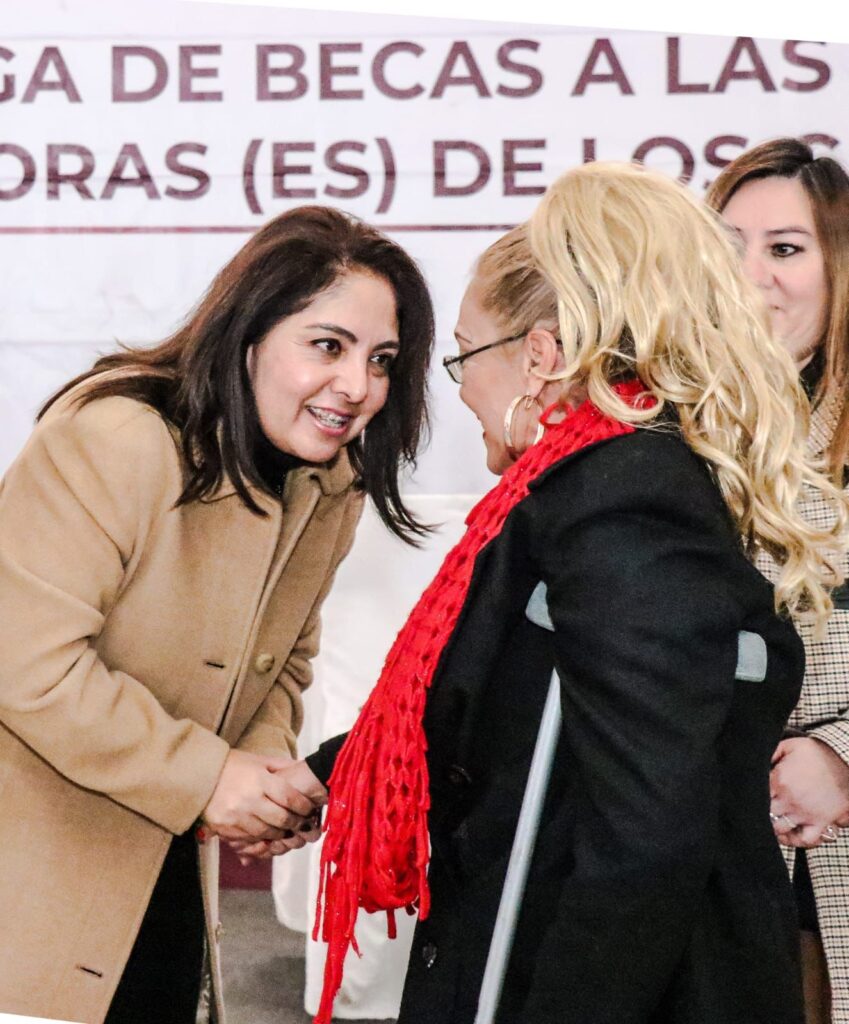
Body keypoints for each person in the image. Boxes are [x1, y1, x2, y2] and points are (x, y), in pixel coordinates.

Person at [271, 162, 846, 1024]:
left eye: (464, 354)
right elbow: (480, 696)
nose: (460, 387)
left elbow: (646, 834)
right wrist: (318, 779)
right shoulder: (575, 488)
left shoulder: (626, 498)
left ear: (538, 359)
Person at [0, 205, 434, 1024]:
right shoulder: (116, 437)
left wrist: (263, 777)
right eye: (327, 345)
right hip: (29, 901)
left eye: (381, 359)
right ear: (248, 336)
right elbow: (24, 662)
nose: (358, 385)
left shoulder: (328, 484)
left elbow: (283, 663)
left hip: (166, 892)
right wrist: (210, 777)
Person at [707, 137, 849, 1024]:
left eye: (785, 248)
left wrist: (842, 760)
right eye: (728, 248)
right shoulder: (663, 430)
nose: (750, 275)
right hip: (706, 857)